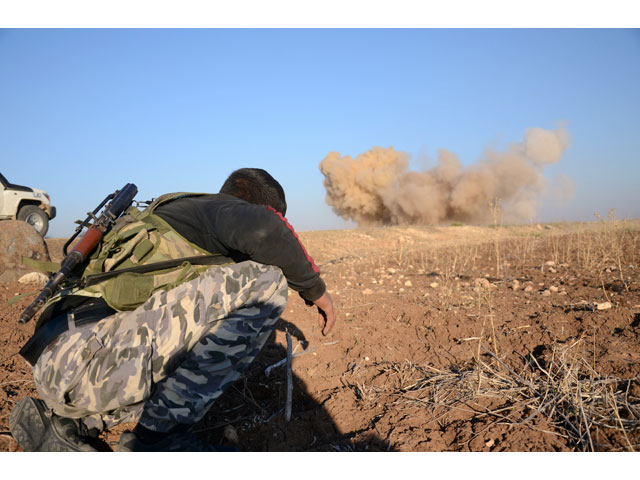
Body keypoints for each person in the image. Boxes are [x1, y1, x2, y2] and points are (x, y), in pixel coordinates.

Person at [9, 168, 336, 452]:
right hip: (83, 359)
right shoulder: (217, 209)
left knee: (190, 343)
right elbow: (266, 230)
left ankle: (71, 426)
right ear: (258, 205)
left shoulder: (174, 218)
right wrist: (317, 292)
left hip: (66, 363)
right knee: (268, 282)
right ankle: (160, 439)